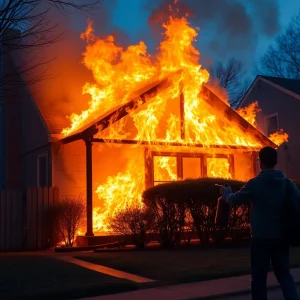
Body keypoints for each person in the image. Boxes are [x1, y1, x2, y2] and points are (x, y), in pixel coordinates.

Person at [221, 146, 300, 300]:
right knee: (284, 274)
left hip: (260, 239)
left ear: (260, 163)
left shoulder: (255, 183)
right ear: (275, 162)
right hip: (282, 237)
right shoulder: (287, 184)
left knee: (258, 278)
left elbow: (234, 199)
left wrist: (226, 193)